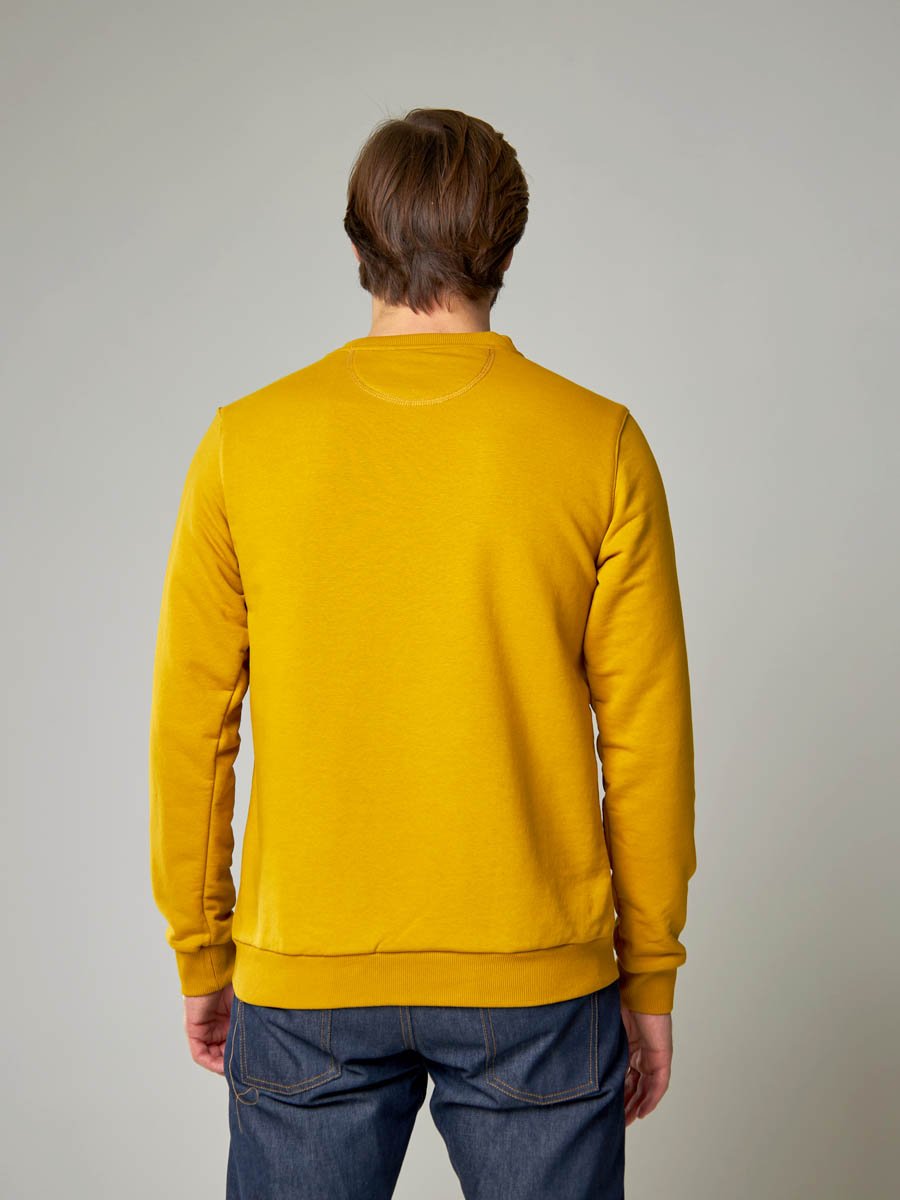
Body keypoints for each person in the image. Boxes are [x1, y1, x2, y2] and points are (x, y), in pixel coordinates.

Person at [148, 106, 697, 1200]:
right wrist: (649, 975)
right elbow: (645, 741)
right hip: (536, 981)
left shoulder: (244, 443)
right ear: (507, 243)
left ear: (359, 238)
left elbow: (193, 727)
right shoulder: (599, 444)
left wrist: (202, 947)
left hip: (307, 977)